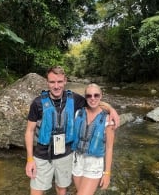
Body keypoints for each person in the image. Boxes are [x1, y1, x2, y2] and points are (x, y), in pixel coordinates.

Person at [25, 66, 119, 195]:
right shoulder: (37, 103)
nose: (56, 86)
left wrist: (111, 109)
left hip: (65, 155)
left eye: (59, 81)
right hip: (42, 155)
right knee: (36, 191)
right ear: (47, 82)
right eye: (52, 82)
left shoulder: (74, 99)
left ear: (65, 81)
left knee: (61, 189)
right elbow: (29, 131)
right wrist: (30, 160)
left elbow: (93, 102)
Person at [72, 83, 115, 195]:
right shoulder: (78, 113)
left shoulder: (108, 119)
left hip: (94, 163)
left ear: (101, 96)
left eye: (96, 95)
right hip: (77, 161)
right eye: (89, 96)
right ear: (85, 97)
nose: (93, 98)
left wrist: (107, 173)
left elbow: (109, 148)